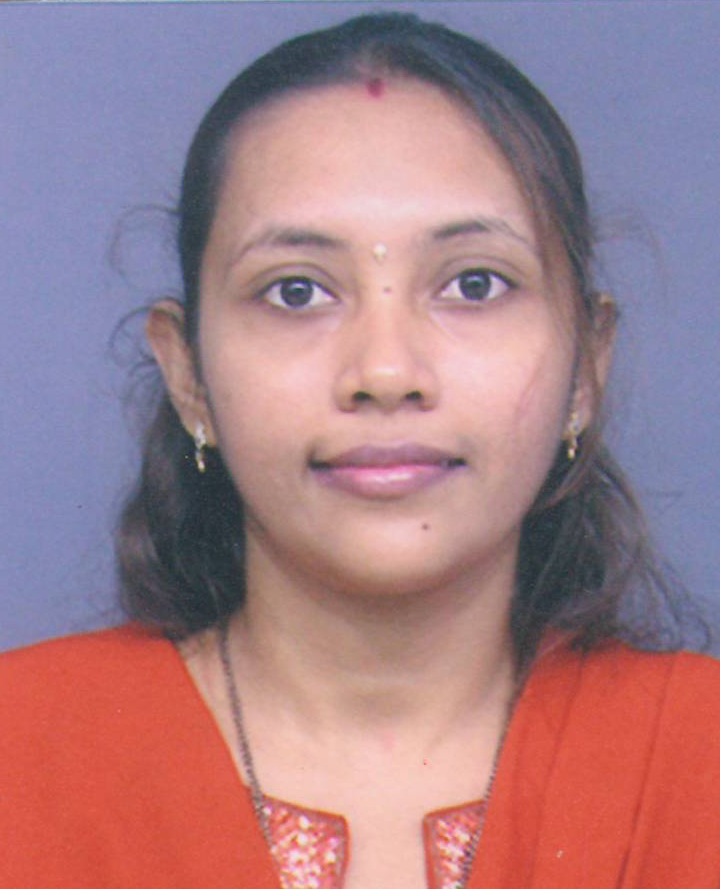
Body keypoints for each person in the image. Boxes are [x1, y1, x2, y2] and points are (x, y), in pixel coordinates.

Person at [1, 12, 719, 889]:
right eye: (297, 292)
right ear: (188, 376)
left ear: (586, 368)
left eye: (474, 284)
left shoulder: (699, 758)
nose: (385, 371)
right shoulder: (19, 752)